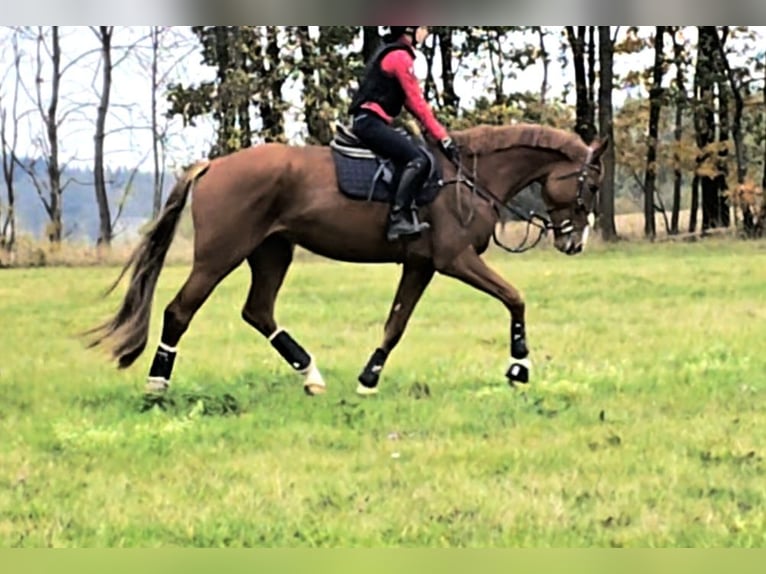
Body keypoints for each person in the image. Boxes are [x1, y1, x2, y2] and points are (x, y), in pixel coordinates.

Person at [349, 25, 460, 241]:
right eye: (424, 28)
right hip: (370, 122)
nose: (426, 32)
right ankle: (398, 219)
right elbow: (418, 103)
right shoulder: (400, 57)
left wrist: (436, 133)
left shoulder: (393, 52)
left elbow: (410, 102)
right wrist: (443, 138)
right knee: (418, 159)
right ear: (411, 30)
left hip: (371, 121)